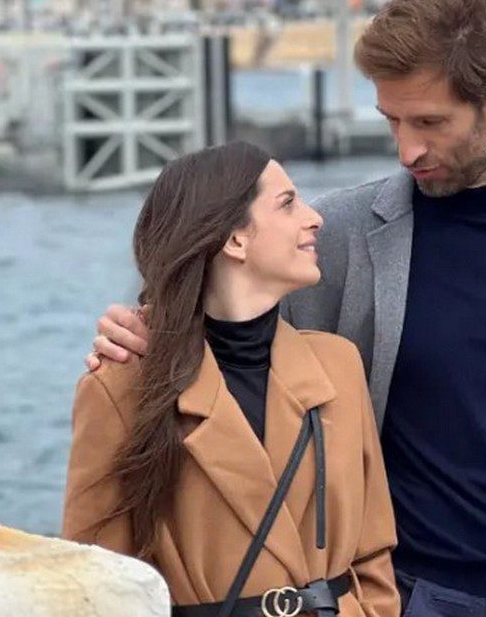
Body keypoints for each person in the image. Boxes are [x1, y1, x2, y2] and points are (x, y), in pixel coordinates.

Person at [88, 0, 486, 617]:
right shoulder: (337, 235)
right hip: (413, 597)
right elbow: (225, 332)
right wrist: (146, 332)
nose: (407, 150)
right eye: (392, 120)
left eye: (430, 122)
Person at [63, 141, 399, 617]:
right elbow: (97, 584)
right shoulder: (120, 388)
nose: (314, 218)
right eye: (287, 203)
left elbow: (373, 549)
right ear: (235, 240)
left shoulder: (337, 365)